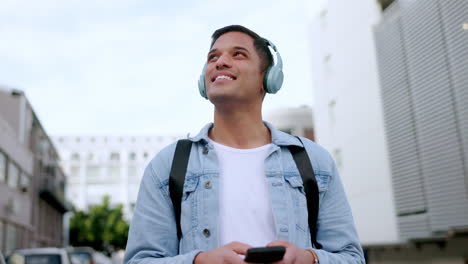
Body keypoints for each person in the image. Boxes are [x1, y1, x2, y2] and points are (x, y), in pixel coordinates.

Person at [124, 25, 365, 264]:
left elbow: (351, 258)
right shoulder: (168, 165)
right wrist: (198, 262)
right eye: (213, 57)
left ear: (268, 77)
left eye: (238, 54)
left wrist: (308, 259)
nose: (220, 62)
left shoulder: (314, 160)